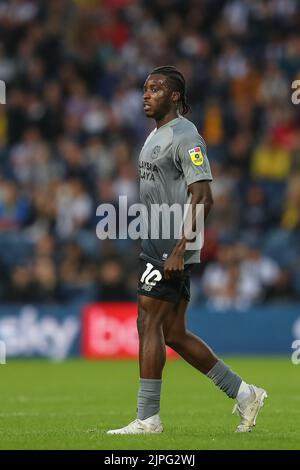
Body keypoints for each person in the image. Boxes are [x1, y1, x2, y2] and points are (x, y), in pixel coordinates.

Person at [107, 66, 267, 435]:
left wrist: (179, 248)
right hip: (158, 241)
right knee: (174, 332)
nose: (146, 94)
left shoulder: (187, 137)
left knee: (147, 322)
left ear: (175, 96)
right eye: (145, 88)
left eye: (156, 89)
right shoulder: (155, 134)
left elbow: (203, 195)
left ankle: (148, 418)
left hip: (171, 245)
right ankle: (245, 393)